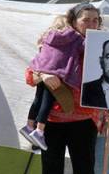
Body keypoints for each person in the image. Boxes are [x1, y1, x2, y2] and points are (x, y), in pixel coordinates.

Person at [28, 3, 107, 174]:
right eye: (86, 20)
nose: (91, 24)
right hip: (52, 121)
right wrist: (45, 76)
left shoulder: (103, 48)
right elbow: (31, 73)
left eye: (95, 20)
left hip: (84, 121)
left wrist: (108, 113)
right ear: (74, 21)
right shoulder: (56, 42)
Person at [19, 15, 83, 152]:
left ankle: (29, 125)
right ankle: (39, 131)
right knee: (47, 103)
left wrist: (41, 72)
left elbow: (39, 55)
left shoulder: (47, 37)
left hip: (42, 72)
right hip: (55, 74)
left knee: (38, 100)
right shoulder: (73, 37)